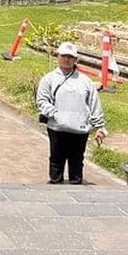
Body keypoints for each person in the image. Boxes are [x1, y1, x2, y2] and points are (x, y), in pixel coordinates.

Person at [36, 42, 108, 184]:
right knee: (56, 160)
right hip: (57, 127)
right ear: (58, 57)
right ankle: (55, 187)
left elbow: (94, 104)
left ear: (75, 59)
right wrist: (56, 114)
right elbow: (42, 100)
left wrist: (100, 127)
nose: (67, 59)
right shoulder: (49, 79)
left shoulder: (85, 81)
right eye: (64, 56)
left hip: (79, 130)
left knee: (77, 161)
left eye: (70, 57)